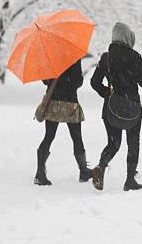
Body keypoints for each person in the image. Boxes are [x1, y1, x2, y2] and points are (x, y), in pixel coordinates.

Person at [90, 22, 142, 191]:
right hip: (132, 108)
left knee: (113, 144)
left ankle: (101, 168)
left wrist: (108, 96)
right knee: (133, 143)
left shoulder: (106, 58)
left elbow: (94, 82)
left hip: (110, 109)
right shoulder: (134, 56)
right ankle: (130, 180)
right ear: (128, 38)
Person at [34, 58, 93, 186]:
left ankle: (40, 173)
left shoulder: (50, 56)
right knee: (76, 137)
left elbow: (45, 81)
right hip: (70, 102)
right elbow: (77, 82)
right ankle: (83, 171)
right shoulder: (73, 56)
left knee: (49, 136)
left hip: (53, 102)